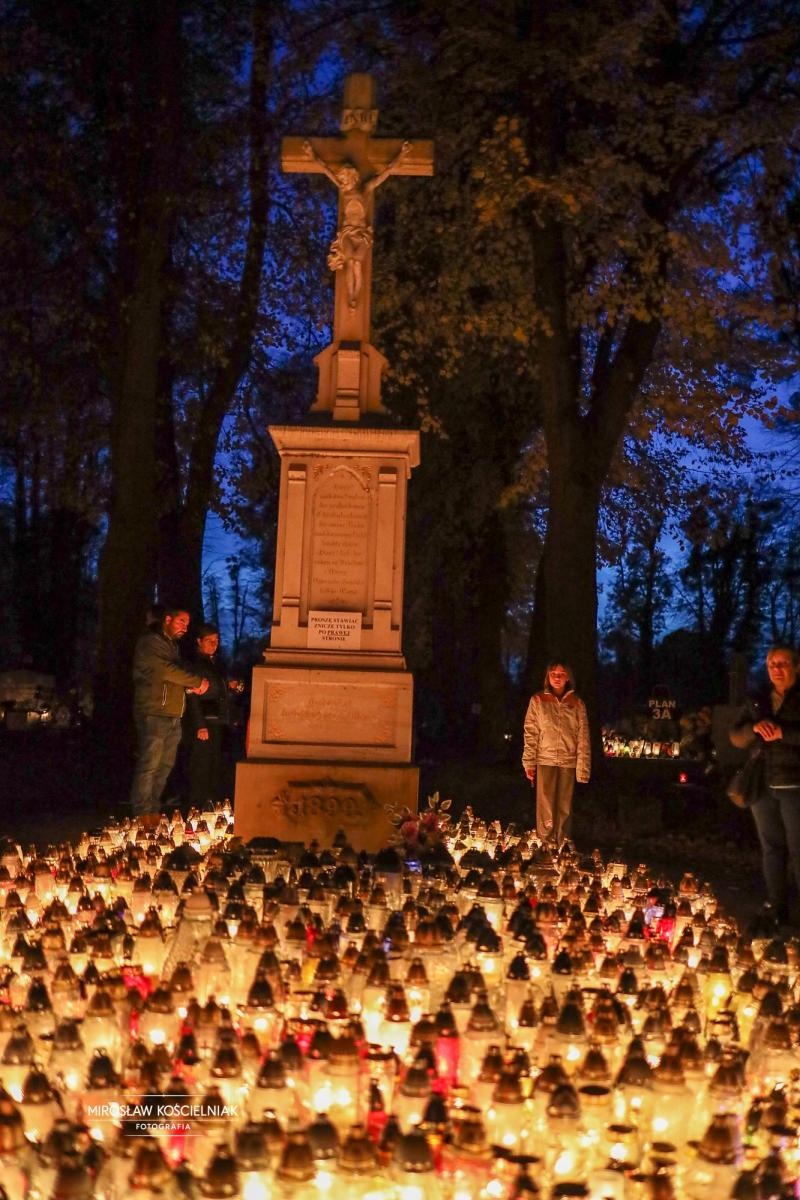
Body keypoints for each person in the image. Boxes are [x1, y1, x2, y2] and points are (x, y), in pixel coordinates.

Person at [730, 645, 800, 928]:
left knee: (798, 850)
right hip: (762, 785)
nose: (776, 669)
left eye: (782, 663)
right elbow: (735, 735)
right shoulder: (757, 700)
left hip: (794, 784)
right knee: (772, 849)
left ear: (796, 666)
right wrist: (753, 730)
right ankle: (777, 908)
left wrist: (785, 733)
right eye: (772, 663)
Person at [302, 139, 411, 309]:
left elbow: (387, 171)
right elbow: (326, 170)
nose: (342, 181)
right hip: (346, 232)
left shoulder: (366, 190)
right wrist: (312, 154)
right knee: (351, 262)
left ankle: (354, 296)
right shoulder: (343, 191)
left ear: (352, 177)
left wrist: (402, 154)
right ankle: (351, 297)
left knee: (357, 264)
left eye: (344, 178)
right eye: (341, 179)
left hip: (361, 233)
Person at [130, 606, 208, 819]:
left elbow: (176, 674)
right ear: (167, 619)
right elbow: (166, 670)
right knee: (150, 763)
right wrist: (196, 681)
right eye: (181, 621)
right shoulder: (151, 642)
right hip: (154, 711)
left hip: (172, 713)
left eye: (187, 623)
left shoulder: (171, 646)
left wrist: (189, 686)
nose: (185, 627)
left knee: (164, 766)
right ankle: (142, 811)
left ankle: (153, 808)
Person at [522, 661, 591, 846]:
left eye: (561, 674)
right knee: (545, 804)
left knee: (564, 806)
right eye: (553, 673)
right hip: (545, 759)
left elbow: (583, 737)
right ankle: (545, 844)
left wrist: (583, 769)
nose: (557, 677)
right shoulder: (538, 700)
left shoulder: (577, 703)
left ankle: (563, 845)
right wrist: (529, 762)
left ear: (568, 676)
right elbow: (531, 732)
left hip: (568, 762)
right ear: (548, 676)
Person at [184, 623, 243, 808]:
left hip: (217, 720)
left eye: (216, 640)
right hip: (206, 722)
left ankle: (209, 805)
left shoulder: (215, 663)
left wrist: (231, 687)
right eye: (209, 641)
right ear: (199, 641)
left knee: (214, 765)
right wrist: (200, 724)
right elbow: (192, 695)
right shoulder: (195, 664)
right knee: (201, 766)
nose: (214, 644)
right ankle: (196, 807)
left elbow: (218, 688)